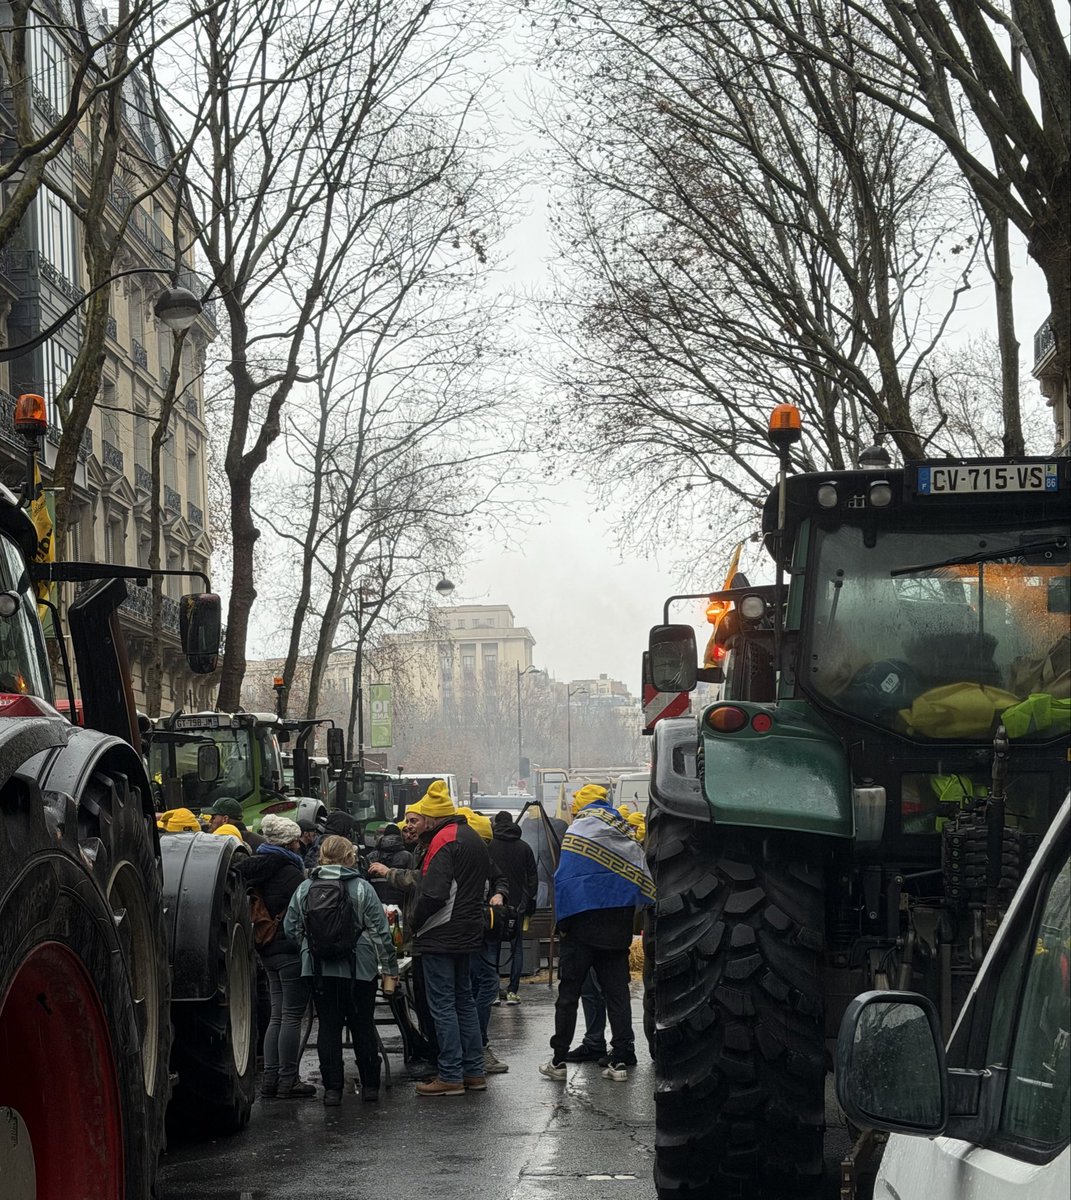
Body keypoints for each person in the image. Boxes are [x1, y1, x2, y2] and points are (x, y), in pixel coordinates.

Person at [540, 784, 654, 1084]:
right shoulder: (625, 833)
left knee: (568, 996)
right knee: (617, 995)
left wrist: (563, 925)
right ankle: (621, 1057)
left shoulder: (577, 833)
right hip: (616, 933)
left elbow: (564, 880)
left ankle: (558, 1059)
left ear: (582, 808)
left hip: (580, 932)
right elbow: (637, 879)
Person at [285, 834, 399, 1106]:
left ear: (322, 856)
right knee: (362, 1024)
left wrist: (310, 946)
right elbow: (381, 933)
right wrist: (390, 969)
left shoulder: (306, 887)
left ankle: (333, 1091)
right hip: (360, 969)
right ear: (350, 857)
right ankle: (370, 1086)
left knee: (329, 1027)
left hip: (319, 969)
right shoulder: (362, 888)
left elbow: (291, 928)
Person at [406, 781, 501, 1097]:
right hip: (467, 932)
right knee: (465, 1002)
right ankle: (474, 1072)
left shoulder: (444, 841)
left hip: (440, 933)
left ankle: (449, 1075)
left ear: (432, 819)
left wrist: (414, 923)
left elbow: (433, 892)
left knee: (443, 1005)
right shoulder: (472, 836)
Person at [238, 813, 315, 1099]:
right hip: (288, 949)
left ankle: (270, 1078)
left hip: (266, 947)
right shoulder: (291, 873)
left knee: (276, 1015)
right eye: (296, 840)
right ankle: (288, 1080)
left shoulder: (254, 867)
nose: (300, 844)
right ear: (289, 843)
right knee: (292, 1016)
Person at [367, 817, 438, 1078]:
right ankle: (426, 1049)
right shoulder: (408, 856)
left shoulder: (372, 858)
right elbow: (420, 885)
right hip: (405, 922)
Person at [457, 807, 511, 1075]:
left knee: (481, 985)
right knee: (478, 986)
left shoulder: (480, 855)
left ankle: (475, 1046)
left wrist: (499, 893)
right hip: (466, 931)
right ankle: (477, 1046)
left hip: (482, 928)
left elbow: (500, 877)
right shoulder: (458, 855)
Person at [492, 810, 538, 1003]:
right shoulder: (524, 847)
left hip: (494, 904)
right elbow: (533, 878)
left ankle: (493, 991)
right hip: (517, 905)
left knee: (492, 947)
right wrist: (528, 901)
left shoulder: (490, 846)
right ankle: (512, 991)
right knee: (516, 947)